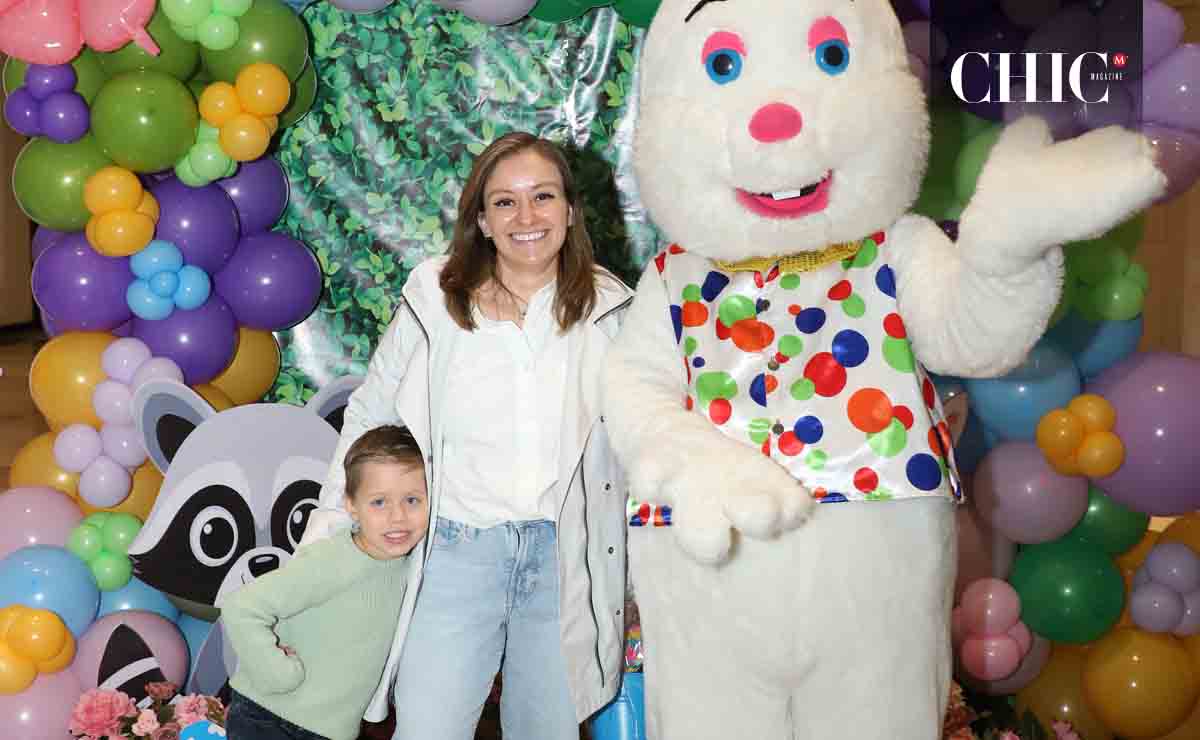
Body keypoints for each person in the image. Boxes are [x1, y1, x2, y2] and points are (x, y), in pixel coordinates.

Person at [299, 131, 634, 740]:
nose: (526, 217)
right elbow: (371, 412)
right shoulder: (435, 298)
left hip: (564, 561)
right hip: (455, 554)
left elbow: (640, 451)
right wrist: (328, 530)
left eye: (544, 197)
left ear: (570, 210)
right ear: (480, 219)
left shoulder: (613, 309)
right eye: (505, 202)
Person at [223, 425, 429, 740]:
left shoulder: (410, 566)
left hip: (329, 730)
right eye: (379, 502)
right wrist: (277, 673)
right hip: (270, 718)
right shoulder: (334, 560)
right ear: (351, 505)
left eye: (412, 500)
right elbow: (241, 606)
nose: (397, 516)